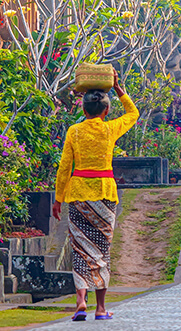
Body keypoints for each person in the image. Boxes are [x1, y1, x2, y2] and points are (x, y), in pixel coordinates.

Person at [52, 74, 138, 322]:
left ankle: (80, 301)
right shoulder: (110, 128)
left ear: (83, 107)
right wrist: (120, 90)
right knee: (101, 249)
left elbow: (64, 166)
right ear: (107, 109)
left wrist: (58, 199)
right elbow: (133, 114)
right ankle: (100, 308)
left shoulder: (74, 131)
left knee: (79, 248)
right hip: (104, 194)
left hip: (78, 194)